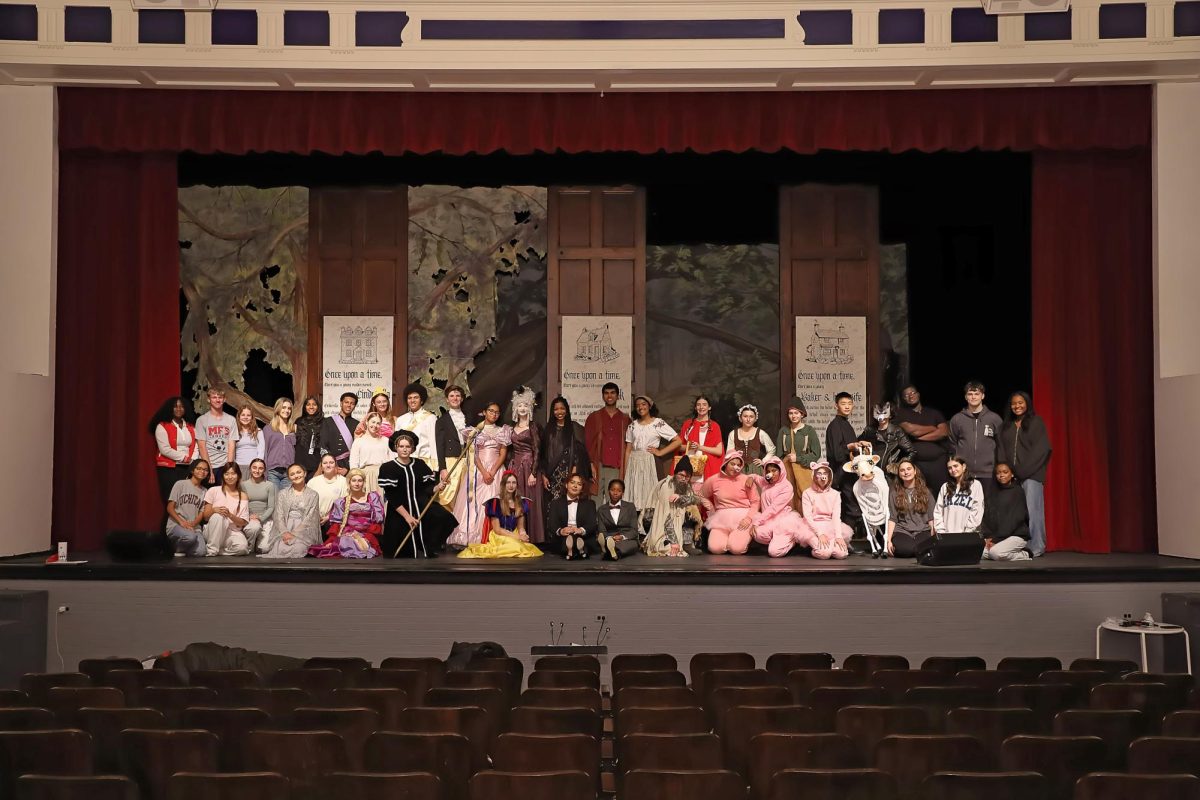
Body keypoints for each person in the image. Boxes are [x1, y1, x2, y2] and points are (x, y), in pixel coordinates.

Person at [379, 430, 456, 558]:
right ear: (395, 448)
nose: (404, 449)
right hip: (399, 512)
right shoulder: (388, 468)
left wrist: (438, 487)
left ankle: (429, 547)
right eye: (401, 446)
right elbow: (392, 497)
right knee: (401, 553)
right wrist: (407, 517)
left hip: (420, 507)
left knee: (444, 517)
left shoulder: (419, 464)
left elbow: (426, 489)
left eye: (408, 446)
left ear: (413, 448)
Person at [996, 390, 1051, 558]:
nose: (1017, 406)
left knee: (1033, 512)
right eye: (1014, 403)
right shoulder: (1006, 426)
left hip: (1031, 475)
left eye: (1020, 402)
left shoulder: (1036, 422)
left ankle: (1037, 546)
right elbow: (1001, 450)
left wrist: (1021, 472)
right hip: (1012, 478)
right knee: (1016, 513)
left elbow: (1042, 450)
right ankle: (1019, 544)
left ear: (1027, 404)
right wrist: (1006, 471)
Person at [448, 402, 511, 548]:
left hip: (496, 468)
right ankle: (471, 536)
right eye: (491, 411)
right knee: (473, 502)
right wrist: (483, 471)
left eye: (496, 412)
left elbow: (503, 453)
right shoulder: (475, 431)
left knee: (494, 500)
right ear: (484, 412)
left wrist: (493, 471)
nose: (494, 414)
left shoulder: (502, 431)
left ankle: (492, 535)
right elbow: (473, 454)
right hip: (478, 469)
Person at [458, 471, 543, 559]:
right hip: (499, 535)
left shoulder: (521, 502)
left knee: (528, 548)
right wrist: (518, 537)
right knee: (516, 546)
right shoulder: (495, 502)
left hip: (514, 533)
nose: (511, 485)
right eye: (508, 482)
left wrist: (523, 534)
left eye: (513, 483)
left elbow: (520, 527)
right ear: (503, 484)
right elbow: (497, 529)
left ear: (517, 485)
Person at [309, 468, 384, 559]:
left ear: (364, 482)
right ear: (349, 482)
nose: (357, 484)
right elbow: (336, 524)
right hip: (349, 534)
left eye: (360, 481)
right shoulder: (342, 502)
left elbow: (377, 521)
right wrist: (332, 540)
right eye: (354, 481)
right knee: (347, 541)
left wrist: (367, 537)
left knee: (361, 546)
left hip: (367, 534)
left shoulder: (373, 497)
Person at [696, 451, 759, 555]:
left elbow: (755, 501)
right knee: (715, 548)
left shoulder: (745, 479)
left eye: (738, 465)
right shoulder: (714, 480)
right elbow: (701, 494)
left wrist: (748, 518)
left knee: (736, 548)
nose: (736, 467)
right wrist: (711, 510)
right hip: (721, 519)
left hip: (742, 519)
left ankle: (736, 540)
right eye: (732, 464)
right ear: (726, 463)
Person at [623, 395, 677, 513]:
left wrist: (660, 452)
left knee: (651, 493)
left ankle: (650, 524)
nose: (640, 407)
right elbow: (628, 449)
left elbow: (677, 441)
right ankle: (636, 524)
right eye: (637, 405)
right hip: (634, 462)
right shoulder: (632, 426)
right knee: (635, 492)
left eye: (643, 404)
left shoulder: (658, 423)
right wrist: (626, 471)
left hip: (650, 461)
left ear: (649, 406)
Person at [506, 386, 545, 543]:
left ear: (530, 408)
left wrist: (533, 473)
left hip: (529, 466)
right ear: (516, 408)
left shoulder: (533, 427)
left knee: (531, 500)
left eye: (525, 405)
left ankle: (534, 537)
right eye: (520, 406)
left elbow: (537, 450)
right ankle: (518, 535)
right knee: (516, 501)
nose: (522, 408)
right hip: (515, 468)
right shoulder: (512, 427)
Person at [749, 456, 809, 558]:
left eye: (774, 471)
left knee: (774, 552)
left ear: (780, 471)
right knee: (757, 534)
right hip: (768, 521)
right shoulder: (765, 482)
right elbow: (755, 477)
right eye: (768, 471)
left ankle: (790, 540)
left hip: (783, 522)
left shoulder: (786, 487)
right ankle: (776, 540)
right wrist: (751, 477)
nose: (770, 474)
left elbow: (773, 508)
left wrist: (757, 522)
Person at [949, 381, 1003, 491]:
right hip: (964, 473)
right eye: (970, 394)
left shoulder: (994, 418)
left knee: (988, 506)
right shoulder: (957, 419)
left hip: (988, 473)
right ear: (965, 397)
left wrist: (999, 466)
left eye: (977, 394)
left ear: (983, 396)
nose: (973, 397)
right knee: (966, 506)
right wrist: (957, 467)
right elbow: (952, 444)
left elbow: (1001, 445)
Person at [895, 384, 951, 490]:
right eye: (906, 395)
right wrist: (933, 428)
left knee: (941, 494)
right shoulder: (901, 414)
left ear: (918, 395)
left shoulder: (934, 413)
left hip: (938, 463)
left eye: (912, 393)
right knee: (919, 496)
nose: (910, 396)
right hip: (916, 464)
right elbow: (913, 431)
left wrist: (919, 438)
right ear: (903, 399)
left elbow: (943, 432)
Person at [260, 464, 322, 559]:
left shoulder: (313, 495)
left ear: (304, 473)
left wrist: (294, 534)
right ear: (289, 477)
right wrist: (285, 532)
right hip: (285, 527)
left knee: (298, 549)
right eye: (292, 474)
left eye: (298, 472)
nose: (296, 476)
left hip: (303, 530)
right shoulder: (283, 494)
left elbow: (310, 518)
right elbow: (279, 515)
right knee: (280, 549)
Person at [642, 459, 701, 557]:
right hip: (660, 524)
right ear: (675, 474)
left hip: (677, 522)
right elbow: (665, 516)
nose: (683, 479)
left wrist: (681, 497)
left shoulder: (686, 486)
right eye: (681, 475)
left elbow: (697, 500)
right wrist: (673, 541)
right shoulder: (667, 486)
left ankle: (687, 543)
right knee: (667, 548)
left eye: (687, 477)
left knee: (692, 509)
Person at [662, 394, 724, 486]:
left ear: (709, 407)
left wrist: (700, 447)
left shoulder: (714, 426)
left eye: (704, 404)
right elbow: (678, 447)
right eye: (698, 404)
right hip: (689, 465)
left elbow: (719, 451)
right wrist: (689, 446)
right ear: (695, 407)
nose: (701, 407)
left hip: (707, 466)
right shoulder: (688, 424)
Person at [540, 396, 591, 508]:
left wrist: (574, 471)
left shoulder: (574, 428)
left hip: (570, 474)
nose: (559, 412)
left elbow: (581, 452)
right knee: (553, 506)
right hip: (552, 476)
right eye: (556, 409)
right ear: (552, 412)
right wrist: (544, 475)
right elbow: (542, 455)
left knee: (570, 506)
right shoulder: (548, 430)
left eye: (562, 408)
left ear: (567, 410)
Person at [584, 382, 631, 503]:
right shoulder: (594, 417)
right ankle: (595, 523)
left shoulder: (625, 419)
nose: (609, 396)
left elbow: (629, 445)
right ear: (602, 396)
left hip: (617, 466)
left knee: (614, 501)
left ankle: (611, 523)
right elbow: (587, 443)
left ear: (618, 396)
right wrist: (590, 464)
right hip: (598, 466)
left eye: (613, 393)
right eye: (606, 393)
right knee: (595, 501)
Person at [799, 461, 853, 560]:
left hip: (830, 526)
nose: (822, 476)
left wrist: (838, 536)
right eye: (819, 474)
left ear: (829, 476)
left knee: (842, 554)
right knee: (824, 554)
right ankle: (819, 548)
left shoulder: (835, 494)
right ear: (814, 476)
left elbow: (836, 517)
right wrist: (820, 534)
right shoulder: (807, 493)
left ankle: (829, 546)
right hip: (812, 527)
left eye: (825, 474)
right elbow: (808, 516)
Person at [826, 392, 862, 532]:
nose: (847, 406)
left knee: (850, 507)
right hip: (841, 473)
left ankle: (846, 540)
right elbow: (837, 454)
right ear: (836, 405)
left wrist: (858, 444)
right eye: (843, 403)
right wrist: (850, 447)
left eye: (849, 403)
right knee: (851, 507)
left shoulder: (845, 424)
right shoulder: (835, 425)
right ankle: (845, 541)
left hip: (848, 472)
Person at [775, 397, 821, 508]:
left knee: (804, 499)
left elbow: (816, 453)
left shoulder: (809, 430)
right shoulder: (783, 431)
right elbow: (779, 454)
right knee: (788, 499)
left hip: (804, 470)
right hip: (787, 471)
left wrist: (799, 458)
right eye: (791, 413)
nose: (793, 416)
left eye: (796, 413)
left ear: (802, 414)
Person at [981, 462, 1032, 561]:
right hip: (996, 537)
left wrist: (996, 540)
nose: (1001, 475)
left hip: (1015, 535)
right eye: (998, 473)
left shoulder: (1017, 491)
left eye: (1005, 472)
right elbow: (987, 517)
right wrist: (988, 537)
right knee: (978, 553)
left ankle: (1024, 554)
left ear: (1012, 474)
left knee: (996, 553)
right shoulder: (992, 492)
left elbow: (1016, 520)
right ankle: (1000, 551)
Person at [151, 396, 197, 504]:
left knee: (185, 500)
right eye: (175, 407)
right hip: (169, 468)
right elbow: (164, 449)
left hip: (187, 467)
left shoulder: (191, 426)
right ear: (170, 409)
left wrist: (193, 461)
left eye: (181, 406)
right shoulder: (162, 426)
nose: (179, 409)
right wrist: (184, 458)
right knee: (171, 500)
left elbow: (196, 445)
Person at [886, 459, 935, 558]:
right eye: (902, 470)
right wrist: (888, 540)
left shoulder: (926, 492)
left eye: (909, 469)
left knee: (923, 548)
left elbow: (931, 517)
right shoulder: (894, 493)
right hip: (902, 530)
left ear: (915, 471)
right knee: (905, 550)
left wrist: (934, 537)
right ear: (899, 474)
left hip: (922, 530)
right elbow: (893, 518)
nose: (906, 472)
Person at [201, 462, 250, 556]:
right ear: (223, 476)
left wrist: (230, 515)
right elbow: (206, 516)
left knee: (242, 548)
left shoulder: (243, 496)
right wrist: (214, 510)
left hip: (231, 532)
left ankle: (220, 551)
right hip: (213, 531)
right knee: (219, 516)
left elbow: (243, 522)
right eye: (226, 474)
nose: (230, 477)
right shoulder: (213, 490)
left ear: (238, 476)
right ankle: (212, 550)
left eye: (233, 473)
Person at [545, 473, 598, 559]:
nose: (575, 486)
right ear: (566, 485)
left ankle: (571, 551)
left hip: (582, 536)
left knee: (577, 538)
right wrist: (561, 531)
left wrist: (580, 530)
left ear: (582, 489)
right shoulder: (555, 503)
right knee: (569, 538)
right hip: (563, 537)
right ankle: (581, 550)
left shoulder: (590, 504)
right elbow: (552, 524)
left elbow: (592, 524)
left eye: (579, 484)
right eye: (572, 482)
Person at [435, 384, 469, 511]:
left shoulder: (469, 418)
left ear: (462, 398)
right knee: (447, 496)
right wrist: (442, 468)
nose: (455, 398)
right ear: (447, 400)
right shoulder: (441, 421)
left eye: (458, 395)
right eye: (452, 396)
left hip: (468, 461)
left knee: (465, 495)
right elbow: (440, 446)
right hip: (451, 461)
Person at [165, 459, 209, 557]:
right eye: (199, 468)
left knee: (201, 552)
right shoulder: (180, 484)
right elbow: (170, 507)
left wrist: (193, 524)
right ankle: (177, 547)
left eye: (205, 470)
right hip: (176, 524)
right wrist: (182, 522)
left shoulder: (205, 491)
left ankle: (182, 548)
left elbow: (201, 512)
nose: (202, 471)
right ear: (192, 470)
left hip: (194, 527)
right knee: (190, 537)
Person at [858, 403, 915, 478]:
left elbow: (912, 451)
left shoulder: (896, 431)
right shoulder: (869, 430)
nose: (881, 416)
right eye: (878, 413)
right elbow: (857, 445)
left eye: (885, 413)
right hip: (871, 472)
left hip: (889, 475)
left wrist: (898, 466)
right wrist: (861, 443)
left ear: (890, 415)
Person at [196, 387, 237, 486]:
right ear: (208, 399)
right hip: (209, 465)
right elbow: (202, 446)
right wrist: (208, 469)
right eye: (214, 397)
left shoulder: (231, 420)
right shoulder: (201, 420)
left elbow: (232, 445)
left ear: (224, 399)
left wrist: (229, 469)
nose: (217, 400)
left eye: (220, 397)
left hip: (224, 465)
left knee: (225, 498)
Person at [934, 455, 985, 533]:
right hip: (947, 535)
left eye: (955, 466)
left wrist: (967, 531)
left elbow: (977, 510)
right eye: (950, 468)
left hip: (967, 535)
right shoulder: (945, 487)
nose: (953, 470)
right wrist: (941, 531)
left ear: (963, 466)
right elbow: (938, 511)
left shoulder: (975, 485)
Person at [395, 382, 439, 471]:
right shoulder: (400, 420)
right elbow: (396, 444)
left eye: (416, 397)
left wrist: (435, 467)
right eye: (409, 398)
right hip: (403, 464)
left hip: (423, 463)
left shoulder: (430, 418)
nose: (412, 400)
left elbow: (434, 443)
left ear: (421, 400)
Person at [597, 478, 640, 560]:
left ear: (622, 493)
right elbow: (602, 531)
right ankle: (612, 551)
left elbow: (634, 530)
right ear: (608, 491)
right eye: (613, 490)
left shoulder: (630, 507)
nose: (615, 493)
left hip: (626, 539)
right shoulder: (601, 509)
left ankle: (609, 551)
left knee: (632, 545)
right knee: (606, 541)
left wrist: (622, 537)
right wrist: (611, 538)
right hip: (609, 538)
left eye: (619, 491)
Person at [727, 404, 776, 476]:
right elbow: (729, 453)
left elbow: (772, 449)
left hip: (755, 469)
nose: (748, 419)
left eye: (751, 417)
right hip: (738, 469)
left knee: (755, 487)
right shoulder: (733, 433)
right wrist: (734, 465)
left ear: (755, 418)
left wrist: (763, 461)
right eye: (745, 416)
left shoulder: (760, 433)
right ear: (740, 418)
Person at [349, 412, 392, 494]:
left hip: (383, 476)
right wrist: (357, 481)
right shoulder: (358, 441)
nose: (375, 425)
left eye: (378, 423)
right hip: (365, 476)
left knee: (382, 504)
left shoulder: (386, 441)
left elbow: (392, 460)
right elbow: (353, 465)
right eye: (373, 422)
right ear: (367, 422)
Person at [240, 458, 276, 554]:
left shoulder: (269, 485)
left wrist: (260, 518)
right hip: (250, 519)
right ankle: (249, 547)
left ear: (264, 470)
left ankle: (258, 541)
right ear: (250, 469)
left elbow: (271, 507)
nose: (257, 471)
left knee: (265, 549)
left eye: (260, 468)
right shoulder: (243, 485)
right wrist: (249, 517)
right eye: (254, 467)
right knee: (254, 527)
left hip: (265, 519)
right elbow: (242, 505)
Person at [320, 392, 359, 476]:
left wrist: (348, 468)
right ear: (341, 403)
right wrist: (332, 465)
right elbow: (323, 445)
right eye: (346, 402)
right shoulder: (327, 421)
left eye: (352, 403)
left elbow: (358, 448)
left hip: (349, 464)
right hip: (330, 464)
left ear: (354, 406)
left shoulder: (357, 424)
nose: (349, 405)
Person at [263, 398, 297, 490]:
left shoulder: (293, 429)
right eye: (284, 407)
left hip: (289, 471)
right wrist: (265, 471)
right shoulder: (268, 429)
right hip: (272, 471)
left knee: (285, 501)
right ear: (278, 408)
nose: (287, 410)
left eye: (289, 408)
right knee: (274, 500)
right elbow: (265, 451)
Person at [308, 454, 348, 528]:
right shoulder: (313, 482)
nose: (328, 465)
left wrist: (329, 516)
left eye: (331, 462)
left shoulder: (343, 482)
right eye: (325, 463)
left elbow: (345, 504)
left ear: (335, 465)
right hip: (314, 520)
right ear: (321, 466)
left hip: (334, 522)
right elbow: (307, 502)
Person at [294, 396, 325, 478]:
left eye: (314, 404)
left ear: (318, 407)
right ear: (304, 407)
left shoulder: (324, 422)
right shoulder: (299, 421)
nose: (311, 407)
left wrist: (320, 468)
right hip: (299, 465)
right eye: (308, 404)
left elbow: (326, 447)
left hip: (315, 466)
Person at [232, 406, 264, 471]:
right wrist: (234, 466)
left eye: (248, 415)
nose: (245, 417)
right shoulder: (234, 431)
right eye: (243, 415)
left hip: (254, 468)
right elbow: (231, 451)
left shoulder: (258, 431)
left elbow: (261, 450)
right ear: (239, 417)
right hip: (239, 467)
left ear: (252, 417)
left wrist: (257, 465)